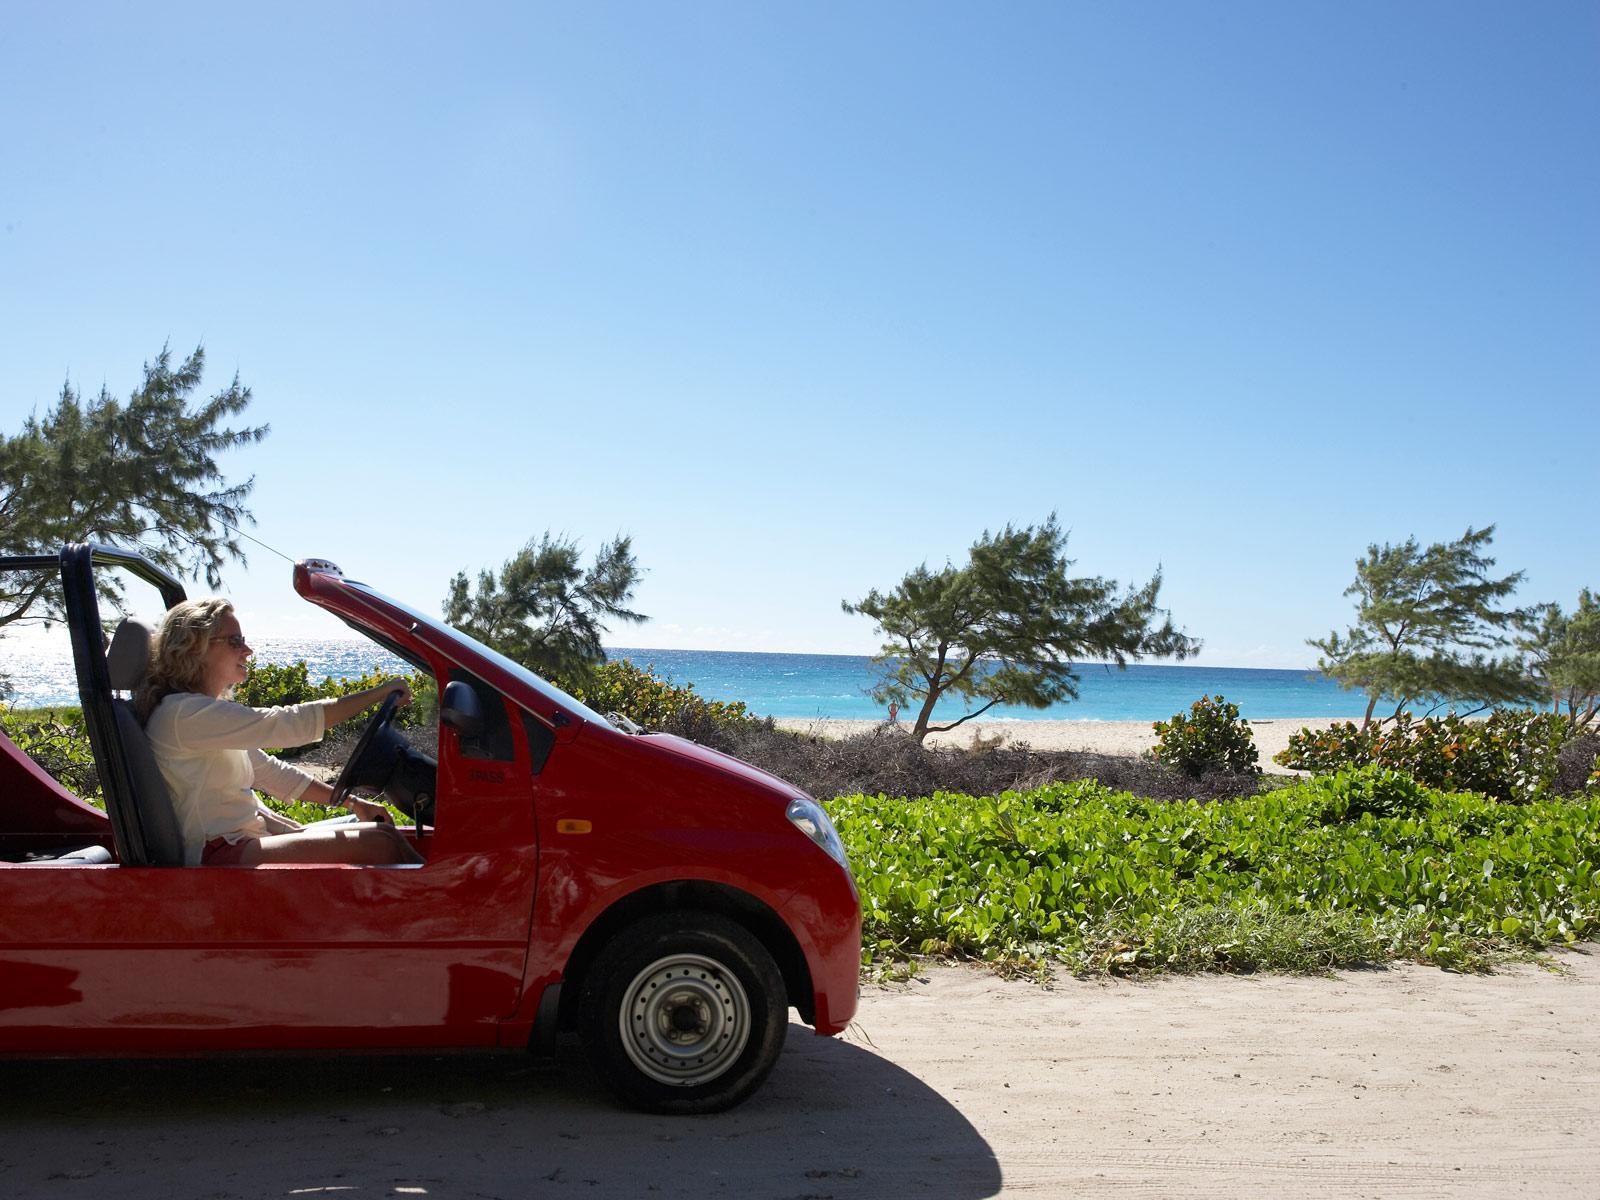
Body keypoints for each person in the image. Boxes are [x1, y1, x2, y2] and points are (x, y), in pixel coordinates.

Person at [137, 598, 424, 867]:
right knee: (378, 843)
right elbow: (286, 723)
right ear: (195, 648)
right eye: (235, 641)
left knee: (376, 830)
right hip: (218, 855)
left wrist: (352, 802)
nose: (247, 650)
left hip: (242, 843)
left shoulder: (202, 715)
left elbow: (273, 773)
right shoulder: (183, 715)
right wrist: (377, 694)